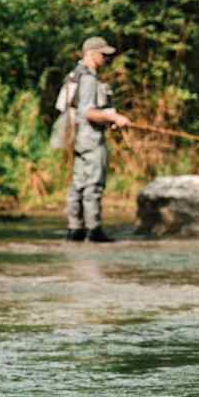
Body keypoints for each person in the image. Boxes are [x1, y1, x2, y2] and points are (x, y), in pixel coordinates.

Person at [64, 36, 131, 243]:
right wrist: (114, 117)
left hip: (77, 136)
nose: (106, 59)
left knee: (78, 183)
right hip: (90, 138)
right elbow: (89, 112)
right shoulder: (88, 78)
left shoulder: (74, 75)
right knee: (93, 184)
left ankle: (75, 229)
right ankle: (94, 230)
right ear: (90, 54)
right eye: (103, 55)